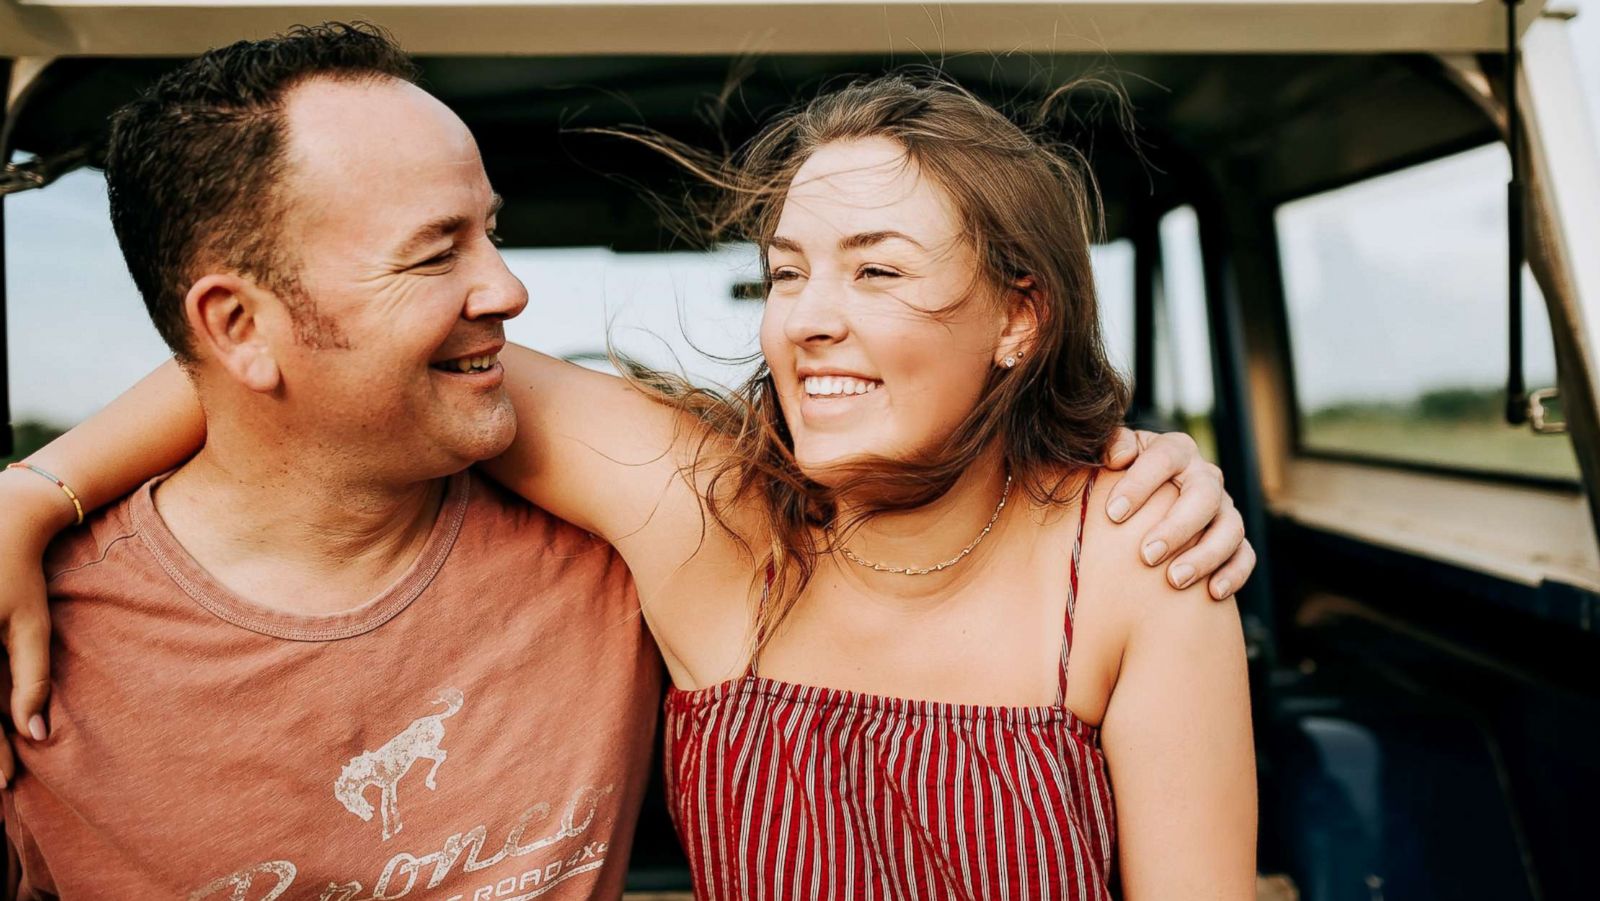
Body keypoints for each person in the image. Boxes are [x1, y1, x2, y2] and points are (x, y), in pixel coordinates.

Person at [0, 25, 1254, 901]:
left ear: (1019, 317)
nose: (808, 316)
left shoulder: (1140, 562)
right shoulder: (712, 527)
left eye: (877, 269)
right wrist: (26, 496)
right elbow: (321, 360)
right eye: (786, 273)